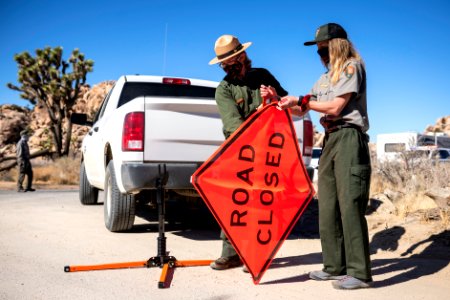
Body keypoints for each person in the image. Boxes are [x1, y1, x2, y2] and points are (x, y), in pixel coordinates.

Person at [262, 23, 372, 289]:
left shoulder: (351, 67)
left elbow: (335, 107)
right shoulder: (322, 79)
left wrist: (301, 101)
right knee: (328, 206)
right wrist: (279, 100)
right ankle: (334, 266)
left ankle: (360, 272)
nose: (320, 54)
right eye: (318, 51)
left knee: (349, 205)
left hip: (348, 137)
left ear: (337, 46)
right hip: (330, 139)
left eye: (323, 49)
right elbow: (303, 110)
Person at [208, 34, 288, 270]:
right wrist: (261, 109)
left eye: (233, 60)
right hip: (239, 154)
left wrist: (274, 100)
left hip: (268, 152)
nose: (229, 66)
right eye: (224, 63)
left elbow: (285, 102)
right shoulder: (223, 90)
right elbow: (235, 127)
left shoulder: (263, 76)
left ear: (243, 56)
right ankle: (230, 253)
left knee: (263, 204)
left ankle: (257, 254)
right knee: (236, 203)